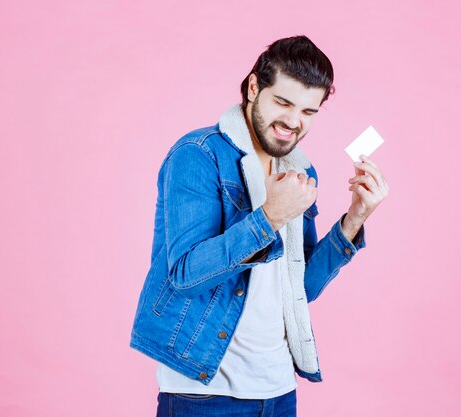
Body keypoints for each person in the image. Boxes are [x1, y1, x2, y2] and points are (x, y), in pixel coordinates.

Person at [130, 35, 389, 416]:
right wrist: (269, 217)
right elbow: (186, 276)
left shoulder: (298, 171)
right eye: (283, 103)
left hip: (279, 391)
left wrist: (355, 219)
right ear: (254, 87)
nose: (293, 122)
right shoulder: (198, 156)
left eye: (308, 112)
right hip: (204, 393)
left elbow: (298, 288)